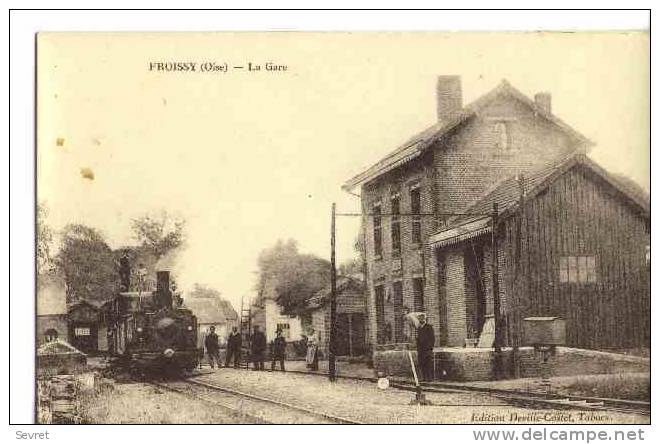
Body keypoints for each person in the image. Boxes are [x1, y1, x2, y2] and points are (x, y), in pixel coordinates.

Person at [416, 314, 435, 381]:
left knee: (428, 363)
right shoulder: (418, 328)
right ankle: (424, 377)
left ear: (425, 319)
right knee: (422, 363)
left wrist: (430, 347)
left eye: (422, 319)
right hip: (421, 350)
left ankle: (429, 378)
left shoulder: (429, 327)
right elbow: (418, 339)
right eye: (420, 319)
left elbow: (432, 338)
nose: (421, 320)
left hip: (427, 349)